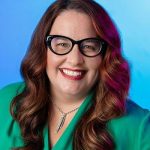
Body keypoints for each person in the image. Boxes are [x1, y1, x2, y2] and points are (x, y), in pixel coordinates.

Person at [0, 0, 150, 149]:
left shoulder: (139, 127)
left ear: (105, 56)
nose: (75, 60)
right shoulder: (6, 100)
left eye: (89, 46)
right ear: (43, 49)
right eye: (62, 44)